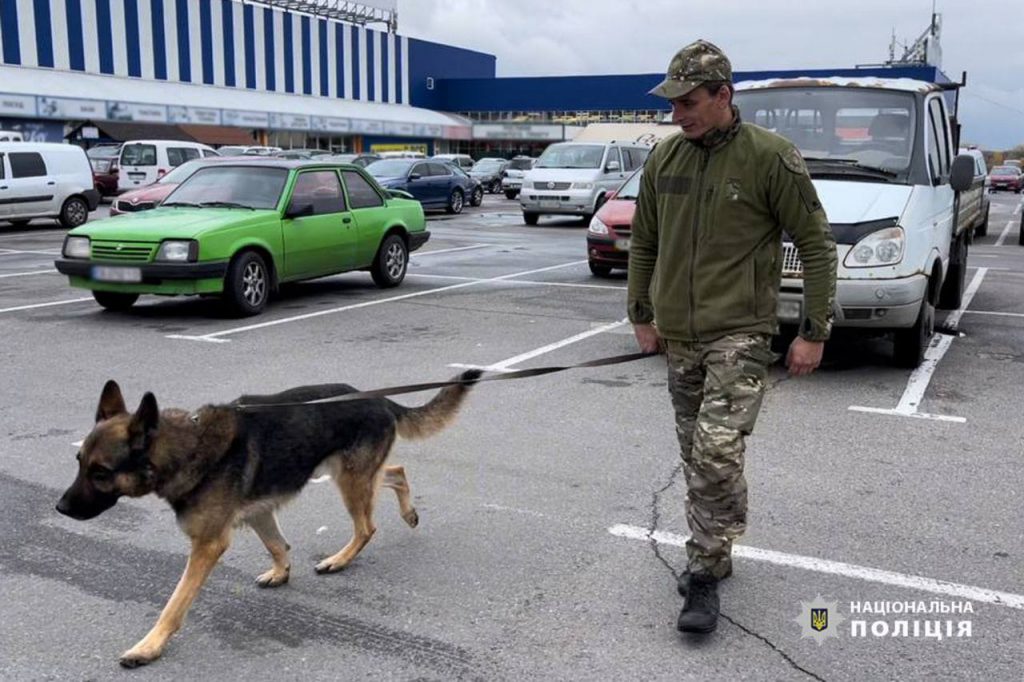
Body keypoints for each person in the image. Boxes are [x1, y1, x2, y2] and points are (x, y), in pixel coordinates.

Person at [627, 39, 837, 634]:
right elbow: (644, 241)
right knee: (697, 453)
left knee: (715, 454)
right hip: (679, 336)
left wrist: (813, 331)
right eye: (672, 103)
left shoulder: (771, 158)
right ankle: (718, 538)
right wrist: (641, 314)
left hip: (740, 334)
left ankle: (703, 572)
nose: (678, 114)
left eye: (689, 101)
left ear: (724, 95)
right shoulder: (665, 159)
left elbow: (817, 245)